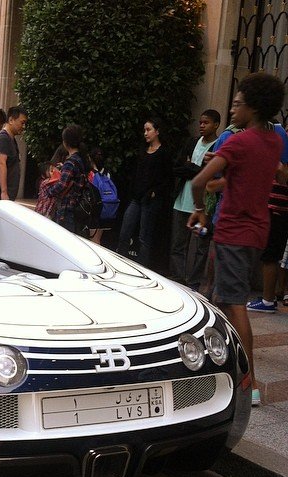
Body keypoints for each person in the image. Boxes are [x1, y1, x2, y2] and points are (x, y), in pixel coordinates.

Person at [189, 71, 286, 407]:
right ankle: (214, 362)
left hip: (233, 231)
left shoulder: (238, 142)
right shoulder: (273, 140)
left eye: (238, 104)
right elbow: (257, 177)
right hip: (257, 231)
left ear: (254, 108)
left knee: (234, 302)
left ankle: (251, 382)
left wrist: (200, 209)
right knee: (219, 297)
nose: (232, 110)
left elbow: (198, 181)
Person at [169, 109, 221, 288]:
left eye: (206, 123)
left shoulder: (217, 147)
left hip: (202, 206)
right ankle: (178, 279)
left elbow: (212, 175)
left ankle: (194, 282)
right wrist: (196, 169)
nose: (201, 126)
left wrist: (191, 167)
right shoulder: (191, 142)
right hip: (182, 201)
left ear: (216, 125)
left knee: (201, 247)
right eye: (200, 122)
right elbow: (177, 167)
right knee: (178, 244)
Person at [116, 117, 172, 267]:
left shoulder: (164, 153)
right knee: (125, 231)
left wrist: (155, 192)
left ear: (157, 131)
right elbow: (136, 173)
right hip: (137, 197)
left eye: (149, 130)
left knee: (144, 237)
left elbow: (167, 178)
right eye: (144, 130)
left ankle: (142, 268)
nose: (145, 133)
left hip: (151, 200)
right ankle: (119, 263)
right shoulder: (142, 150)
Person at [245, 122, 288, 313]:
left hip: (278, 206)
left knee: (271, 254)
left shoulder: (281, 137)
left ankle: (268, 300)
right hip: (277, 206)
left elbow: (281, 174)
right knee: (273, 253)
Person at [44, 124, 91, 236]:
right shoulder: (81, 159)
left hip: (67, 208)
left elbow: (62, 185)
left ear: (65, 142)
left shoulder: (71, 162)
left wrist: (49, 191)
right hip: (76, 207)